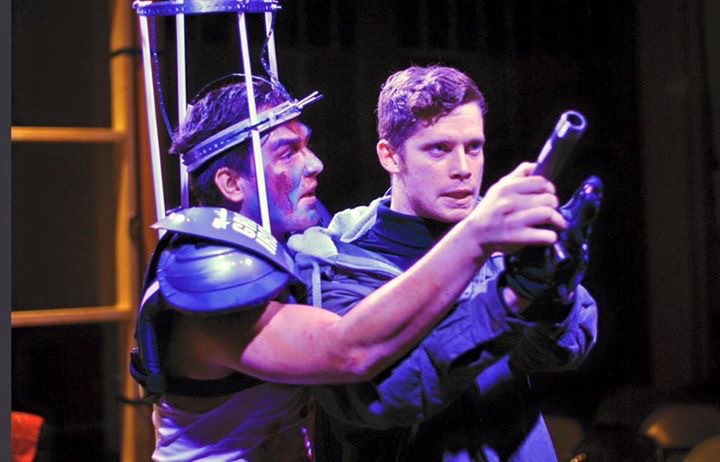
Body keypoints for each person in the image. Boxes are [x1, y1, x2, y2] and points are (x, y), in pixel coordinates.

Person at [129, 73, 571, 461]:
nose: (315, 163)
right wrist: (476, 237)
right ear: (230, 183)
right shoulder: (208, 277)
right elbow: (347, 351)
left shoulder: (288, 248)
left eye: (306, 144)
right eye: (287, 152)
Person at [288, 65, 601, 461]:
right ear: (390, 155)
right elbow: (385, 398)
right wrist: (509, 296)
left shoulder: (502, 235)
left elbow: (557, 354)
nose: (464, 169)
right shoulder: (338, 262)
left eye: (474, 147)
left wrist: (556, 296)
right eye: (439, 149)